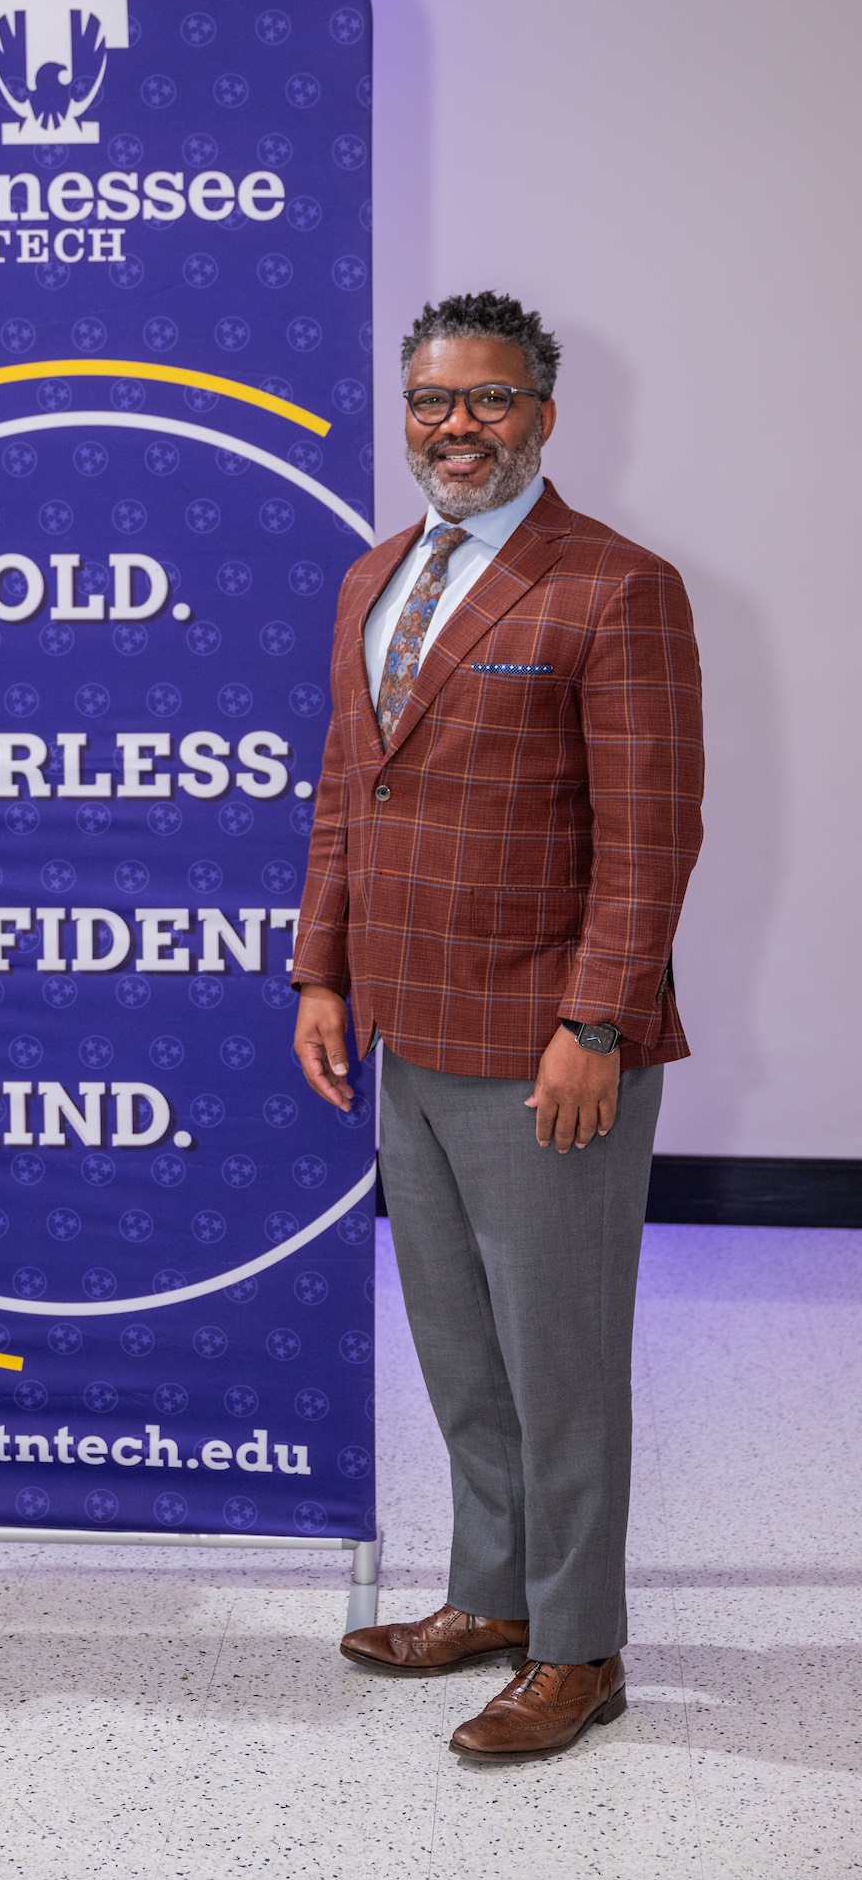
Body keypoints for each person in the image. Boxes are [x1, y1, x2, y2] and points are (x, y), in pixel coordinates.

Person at [293, 291, 704, 1760]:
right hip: (405, 1031)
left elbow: (651, 839)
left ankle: (579, 1645)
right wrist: (321, 975)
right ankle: (492, 1596)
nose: (455, 426)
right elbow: (352, 790)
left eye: (488, 400)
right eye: (430, 402)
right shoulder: (373, 578)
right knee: (464, 1352)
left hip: (548, 1049)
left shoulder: (615, 586)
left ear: (541, 413)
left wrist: (595, 1023)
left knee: (561, 1358)